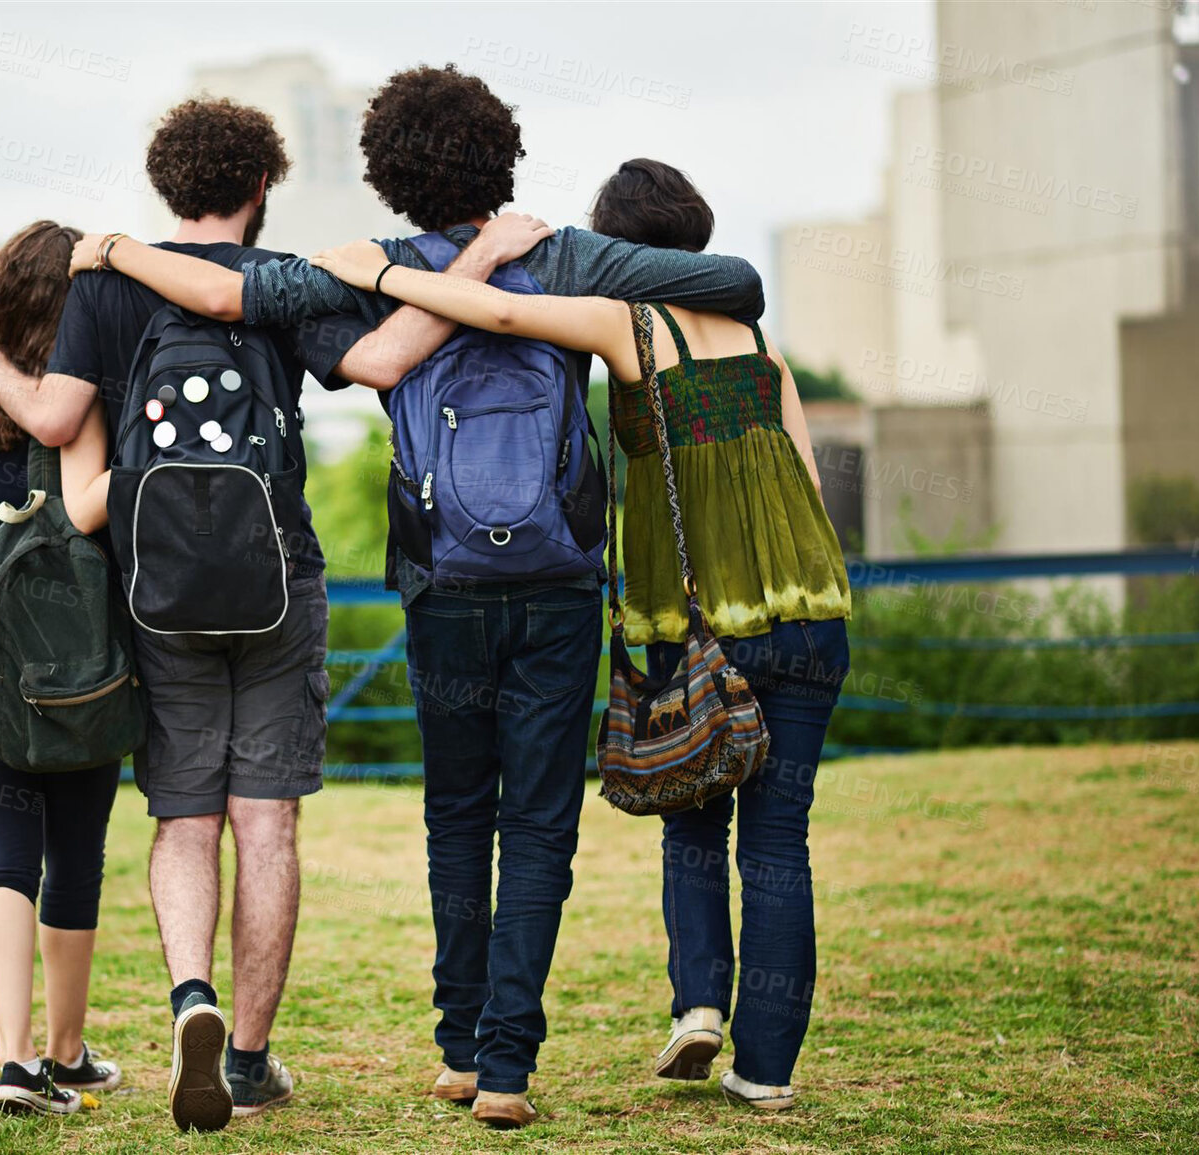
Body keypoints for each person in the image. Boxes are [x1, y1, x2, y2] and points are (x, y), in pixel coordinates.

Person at [61, 65, 771, 1130]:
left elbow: (229, 295)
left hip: (439, 583)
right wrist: (507, 259)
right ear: (504, 156)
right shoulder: (567, 256)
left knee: (453, 818)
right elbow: (735, 282)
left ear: (386, 178)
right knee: (535, 826)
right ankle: (502, 1068)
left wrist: (111, 250)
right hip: (560, 580)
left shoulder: (366, 266)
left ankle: (447, 1042)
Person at [0, 97, 499, 1131]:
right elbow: (387, 360)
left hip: (154, 590)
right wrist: (475, 268)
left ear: (167, 187)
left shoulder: (108, 284)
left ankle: (189, 998)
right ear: (261, 188)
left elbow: (51, 419)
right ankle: (249, 1061)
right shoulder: (279, 280)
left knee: (183, 816)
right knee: (267, 821)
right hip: (276, 580)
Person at [306, 155, 852, 1114]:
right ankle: (765, 1068)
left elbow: (508, 316)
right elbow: (807, 484)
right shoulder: (768, 352)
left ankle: (696, 1004)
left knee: (692, 814)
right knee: (779, 845)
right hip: (810, 614)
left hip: (703, 622)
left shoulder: (626, 321)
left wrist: (384, 275)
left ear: (616, 250)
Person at [0, 220, 121, 1116]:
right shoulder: (85, 398)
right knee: (75, 854)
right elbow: (84, 510)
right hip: (75, 657)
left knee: (4, 853)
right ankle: (65, 1050)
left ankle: (16, 1061)